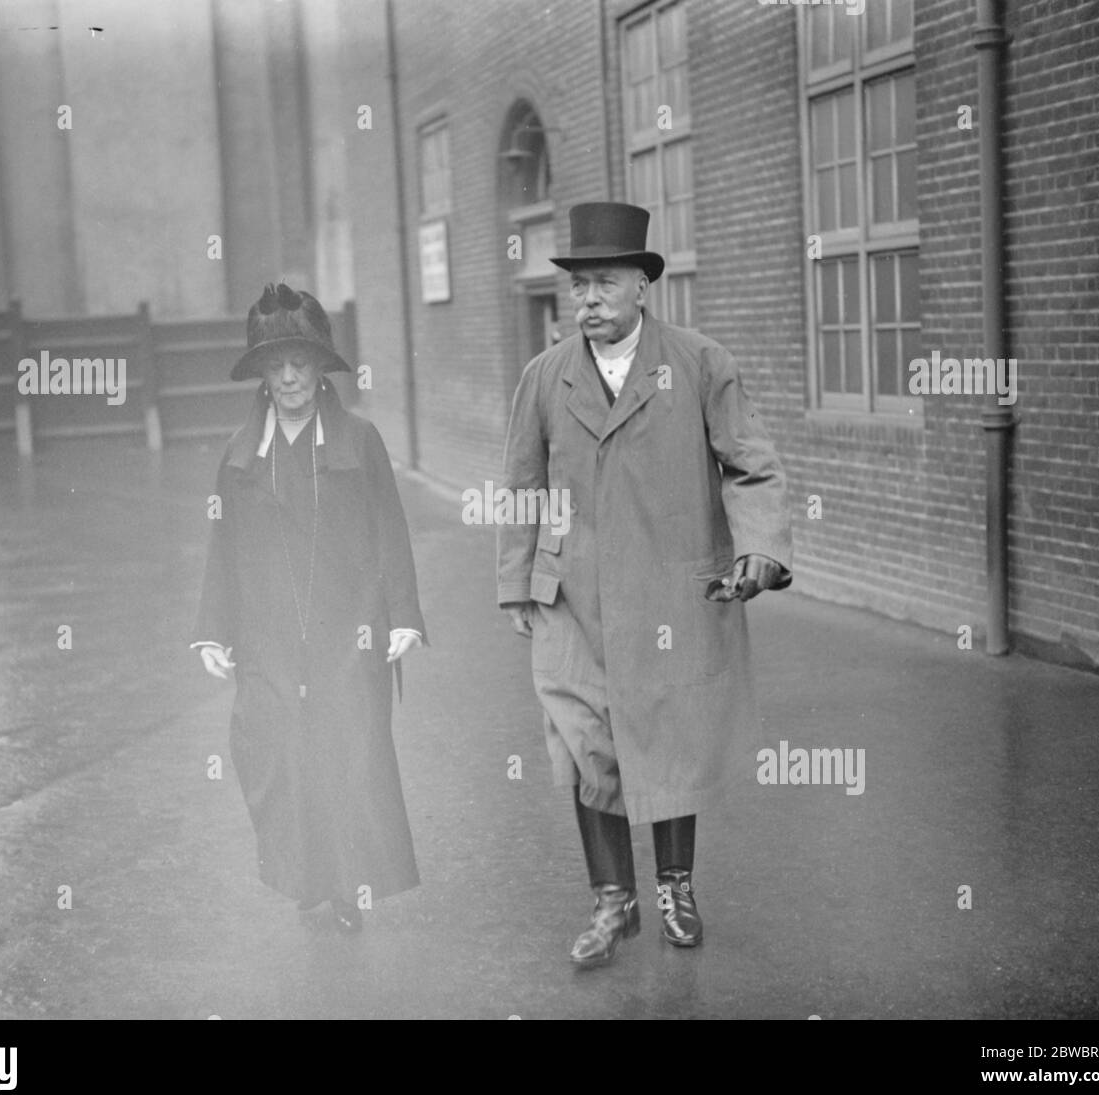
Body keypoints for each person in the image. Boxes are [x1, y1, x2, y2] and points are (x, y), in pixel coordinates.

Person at [497, 202, 793, 967]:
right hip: (573, 599)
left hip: (671, 594)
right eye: (578, 285)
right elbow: (522, 487)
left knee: (669, 742)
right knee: (584, 746)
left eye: (603, 282)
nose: (586, 299)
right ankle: (612, 902)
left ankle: (673, 887)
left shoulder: (698, 363)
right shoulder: (544, 377)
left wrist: (758, 550)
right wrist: (516, 584)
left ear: (640, 286)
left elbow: (751, 463)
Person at [192, 283, 426, 934]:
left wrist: (403, 614)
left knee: (345, 758)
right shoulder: (240, 457)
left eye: (301, 362)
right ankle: (305, 875)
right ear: (262, 375)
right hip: (267, 636)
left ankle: (345, 884)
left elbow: (390, 531)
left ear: (321, 368)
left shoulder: (361, 441)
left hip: (347, 633)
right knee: (278, 758)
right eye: (276, 365)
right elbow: (223, 545)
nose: (290, 377)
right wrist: (212, 631)